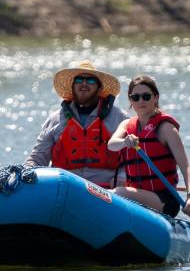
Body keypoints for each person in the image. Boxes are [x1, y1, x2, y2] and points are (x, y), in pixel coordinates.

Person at [24, 60, 128, 188]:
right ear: (72, 86)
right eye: (79, 80)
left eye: (90, 80)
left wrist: (122, 177)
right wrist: (25, 172)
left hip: (107, 190)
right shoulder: (54, 119)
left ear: (99, 88)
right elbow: (38, 157)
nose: (84, 84)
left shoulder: (120, 117)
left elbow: (132, 156)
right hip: (65, 185)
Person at [107, 75, 190, 218]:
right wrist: (125, 142)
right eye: (135, 97)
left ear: (155, 98)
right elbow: (111, 145)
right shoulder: (126, 125)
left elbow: (186, 166)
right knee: (118, 191)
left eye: (146, 96)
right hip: (136, 194)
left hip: (165, 200)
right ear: (131, 100)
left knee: (117, 193)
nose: (141, 101)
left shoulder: (166, 128)